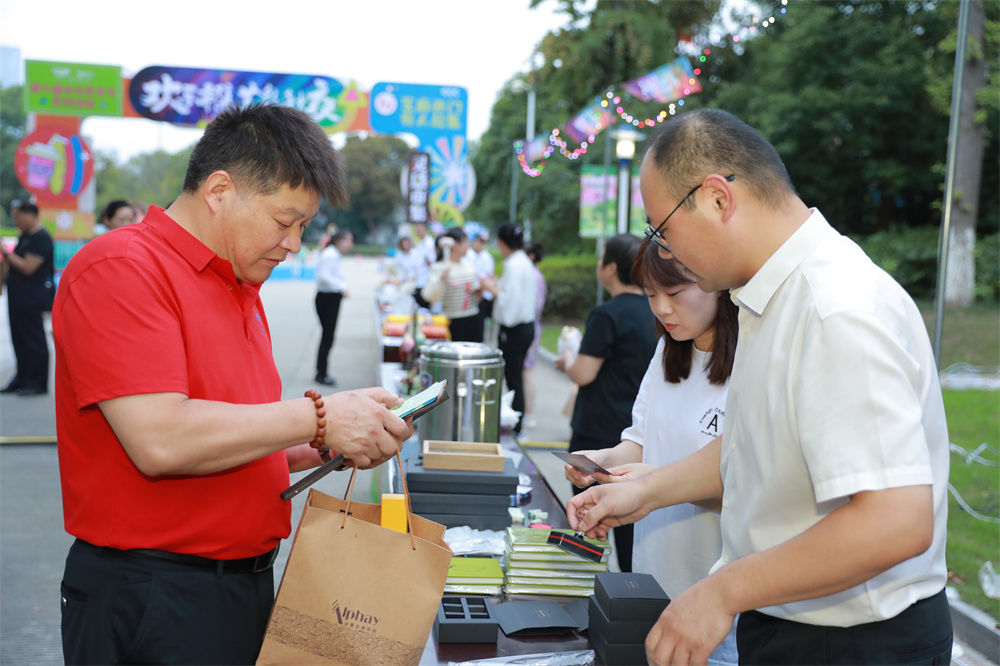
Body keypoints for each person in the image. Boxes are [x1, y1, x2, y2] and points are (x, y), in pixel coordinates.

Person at [568, 108, 952, 666]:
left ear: (718, 199)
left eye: (663, 230)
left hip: (854, 640)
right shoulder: (767, 299)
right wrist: (645, 491)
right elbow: (758, 444)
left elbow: (895, 521)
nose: (665, 252)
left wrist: (722, 591)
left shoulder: (833, 307)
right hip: (791, 620)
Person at [52, 103, 413, 666]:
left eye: (304, 227)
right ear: (220, 190)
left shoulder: (239, 287)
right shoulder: (123, 268)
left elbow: (234, 434)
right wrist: (320, 416)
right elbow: (162, 440)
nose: (293, 243)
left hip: (237, 587)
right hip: (156, 592)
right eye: (283, 220)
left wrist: (324, 444)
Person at [563, 239, 740, 665]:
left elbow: (745, 482)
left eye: (674, 294)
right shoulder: (668, 350)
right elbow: (638, 441)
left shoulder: (754, 364)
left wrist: (646, 485)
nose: (661, 309)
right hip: (652, 575)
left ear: (717, 283)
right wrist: (604, 462)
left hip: (717, 592)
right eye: (651, 295)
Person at [554, 232, 657, 571]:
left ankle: (584, 591)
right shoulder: (655, 309)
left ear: (610, 268)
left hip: (596, 431)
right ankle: (627, 594)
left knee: (587, 521)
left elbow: (583, 373)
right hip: (635, 435)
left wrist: (568, 361)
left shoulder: (606, 314)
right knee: (629, 530)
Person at [484, 223, 537, 438]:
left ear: (502, 243)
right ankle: (517, 422)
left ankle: (516, 425)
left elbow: (509, 306)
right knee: (515, 377)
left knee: (513, 378)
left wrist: (492, 289)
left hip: (515, 328)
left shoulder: (514, 265)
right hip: (524, 327)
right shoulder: (523, 261)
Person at [0, 201, 55, 396]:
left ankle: (38, 382)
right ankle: (22, 378)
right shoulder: (25, 236)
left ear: (31, 215)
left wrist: (4, 252)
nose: (16, 222)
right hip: (17, 294)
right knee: (19, 337)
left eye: (18, 217)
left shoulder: (41, 238)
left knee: (33, 338)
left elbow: (27, 267)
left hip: (32, 295)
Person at [420, 226, 482, 342]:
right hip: (453, 320)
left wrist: (479, 292)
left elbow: (477, 290)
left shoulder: (469, 264)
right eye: (465, 242)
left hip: (473, 318)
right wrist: (441, 280)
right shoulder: (440, 267)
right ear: (455, 244)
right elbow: (429, 295)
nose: (467, 246)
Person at [314, 229, 353, 387]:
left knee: (328, 336)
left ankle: (321, 371)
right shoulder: (330, 255)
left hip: (331, 297)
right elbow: (323, 276)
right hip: (327, 298)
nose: (350, 244)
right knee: (328, 336)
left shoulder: (334, 254)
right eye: (347, 240)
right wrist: (341, 286)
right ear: (338, 240)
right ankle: (321, 373)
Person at [520, 240, 547, 429]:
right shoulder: (536, 276)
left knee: (527, 371)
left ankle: (528, 413)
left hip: (530, 325)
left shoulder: (534, 277)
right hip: (533, 325)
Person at [467, 230, 496, 341]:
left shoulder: (487, 257)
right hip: (471, 294)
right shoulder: (468, 255)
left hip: (483, 295)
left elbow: (489, 275)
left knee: (480, 324)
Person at [411, 220, 436, 310]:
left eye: (420, 229)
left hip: (426, 282)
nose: (418, 232)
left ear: (425, 229)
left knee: (425, 309)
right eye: (417, 230)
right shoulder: (421, 244)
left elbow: (432, 263)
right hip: (419, 280)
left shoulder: (429, 243)